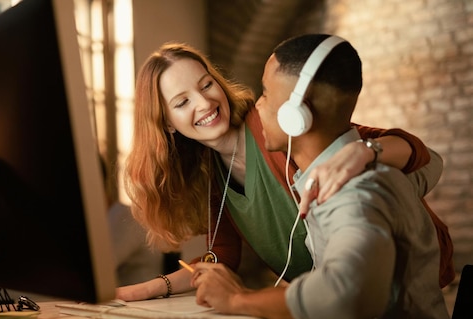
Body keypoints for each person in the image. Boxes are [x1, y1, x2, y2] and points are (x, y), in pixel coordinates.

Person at [115, 41, 454, 302]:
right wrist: (146, 290)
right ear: (167, 124)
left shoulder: (273, 126)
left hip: (393, 293)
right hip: (324, 305)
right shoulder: (212, 174)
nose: (204, 103)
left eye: (206, 85)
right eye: (182, 102)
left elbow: (421, 154)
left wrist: (362, 152)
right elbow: (220, 258)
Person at [189, 34, 457, 319]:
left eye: (265, 93)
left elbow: (347, 295)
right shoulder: (341, 177)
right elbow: (428, 165)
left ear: (297, 116)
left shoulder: (354, 192)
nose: (257, 104)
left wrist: (237, 299)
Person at [100, 157, 166, 286]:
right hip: (122, 301)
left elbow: (97, 270)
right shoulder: (108, 217)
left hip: (143, 302)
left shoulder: (124, 217)